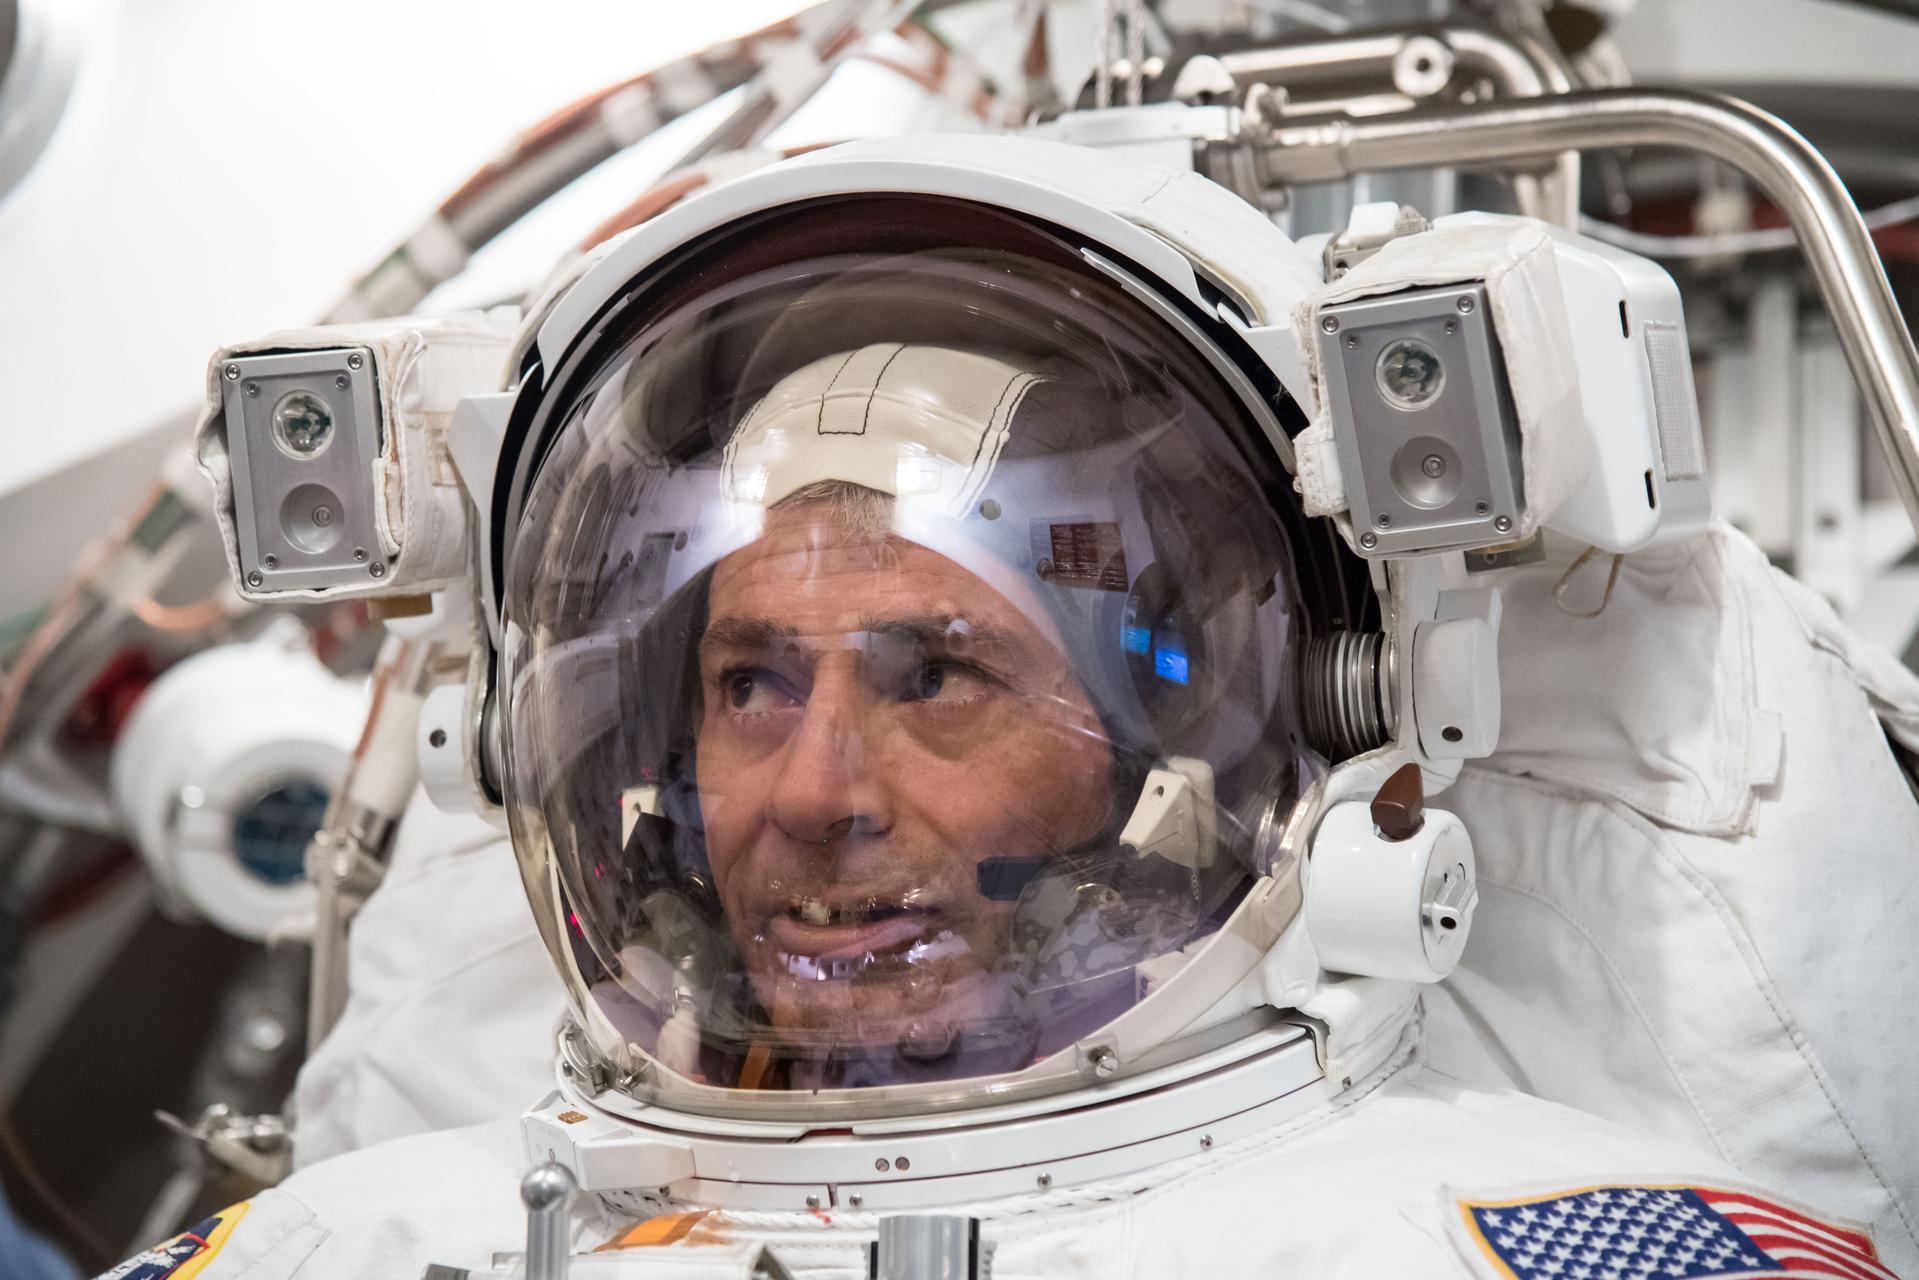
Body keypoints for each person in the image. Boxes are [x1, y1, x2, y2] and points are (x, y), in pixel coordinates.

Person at [101, 143, 1908, 1279]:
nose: (815, 789)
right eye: (747, 683)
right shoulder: (345, 1242)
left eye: (935, 677)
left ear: (1194, 749)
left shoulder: (1539, 1248)